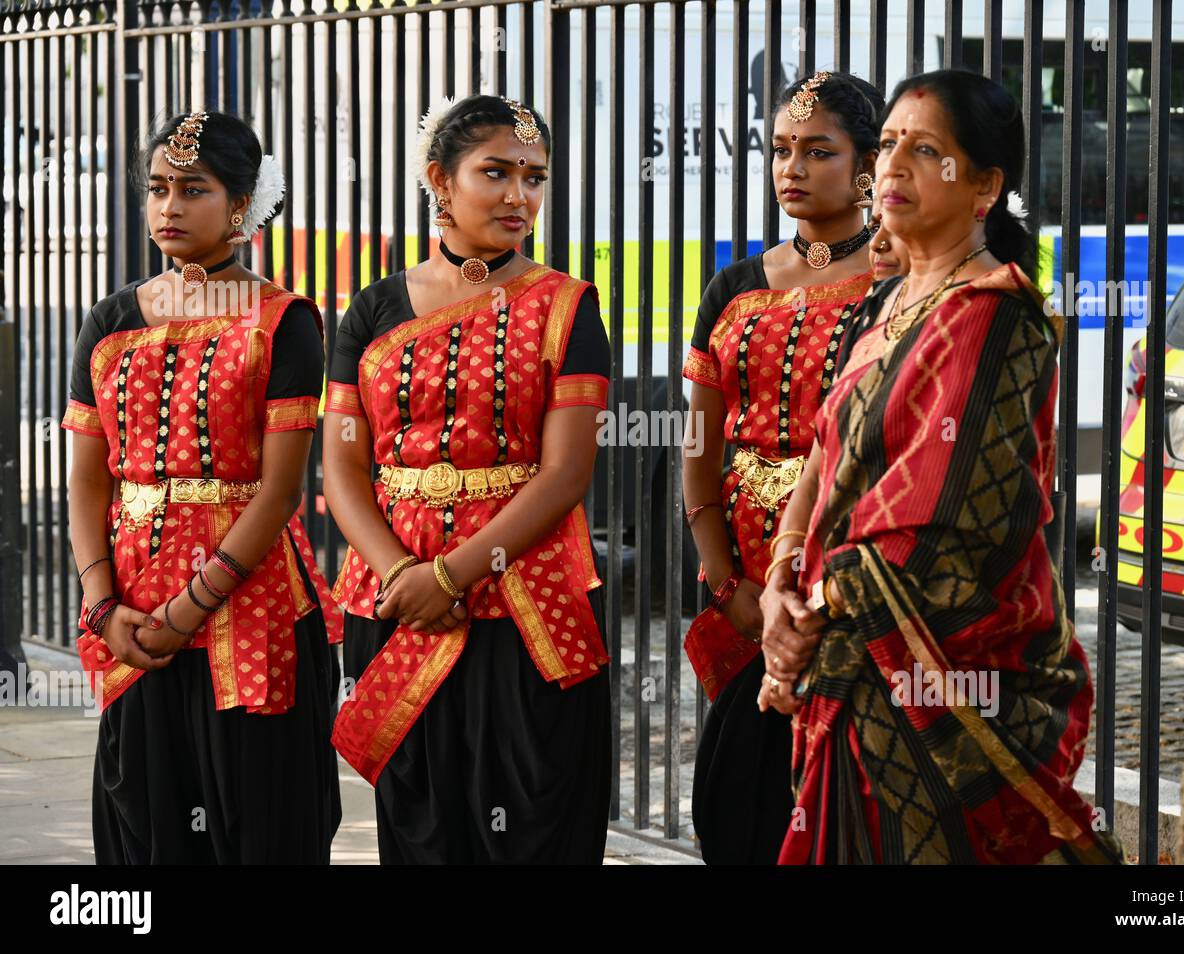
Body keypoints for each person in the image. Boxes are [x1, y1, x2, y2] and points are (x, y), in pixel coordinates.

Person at [758, 70, 1126, 865]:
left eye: (925, 151)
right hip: (849, 653)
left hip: (952, 668)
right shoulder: (886, 304)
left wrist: (812, 607)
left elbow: (939, 520)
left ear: (986, 185)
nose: (891, 166)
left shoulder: (996, 318)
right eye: (887, 144)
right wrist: (780, 581)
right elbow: (825, 453)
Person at [325, 94, 612, 864]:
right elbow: (344, 465)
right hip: (397, 600)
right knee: (422, 820)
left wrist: (449, 574)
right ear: (440, 181)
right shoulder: (374, 309)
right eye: (496, 172)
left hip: (527, 601)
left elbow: (565, 472)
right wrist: (404, 574)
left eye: (534, 176)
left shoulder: (568, 307)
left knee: (535, 817)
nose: (520, 195)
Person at [62, 110, 344, 864]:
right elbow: (87, 483)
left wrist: (188, 610)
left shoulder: (284, 322)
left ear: (243, 204)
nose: (169, 208)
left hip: (249, 605)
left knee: (253, 816)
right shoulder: (111, 320)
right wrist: (101, 605)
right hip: (131, 608)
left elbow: (280, 492)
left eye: (194, 189)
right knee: (146, 821)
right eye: (156, 189)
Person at [683, 71, 884, 864]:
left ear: (869, 166)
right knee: (741, 801)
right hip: (741, 580)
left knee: (846, 798)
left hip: (850, 577)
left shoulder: (898, 286)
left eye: (818, 151)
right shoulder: (733, 287)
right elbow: (700, 447)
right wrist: (727, 586)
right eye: (780, 150)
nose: (790, 168)